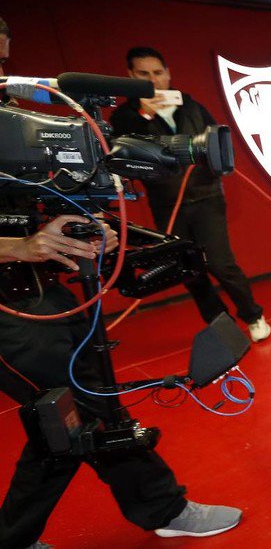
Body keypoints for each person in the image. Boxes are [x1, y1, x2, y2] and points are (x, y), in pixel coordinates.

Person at [0, 215, 242, 544]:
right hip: (8, 317)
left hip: (47, 295)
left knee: (75, 418)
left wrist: (82, 234)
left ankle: (14, 538)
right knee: (70, 416)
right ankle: (164, 508)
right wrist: (16, 247)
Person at [109, 47, 270, 342]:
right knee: (188, 269)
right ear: (131, 76)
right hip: (166, 203)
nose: (153, 80)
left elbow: (219, 142)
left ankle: (253, 315)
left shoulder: (192, 106)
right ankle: (220, 324)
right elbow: (125, 157)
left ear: (168, 73)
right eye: (144, 74)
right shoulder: (124, 117)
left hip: (206, 196)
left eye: (158, 72)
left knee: (220, 263)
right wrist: (145, 116)